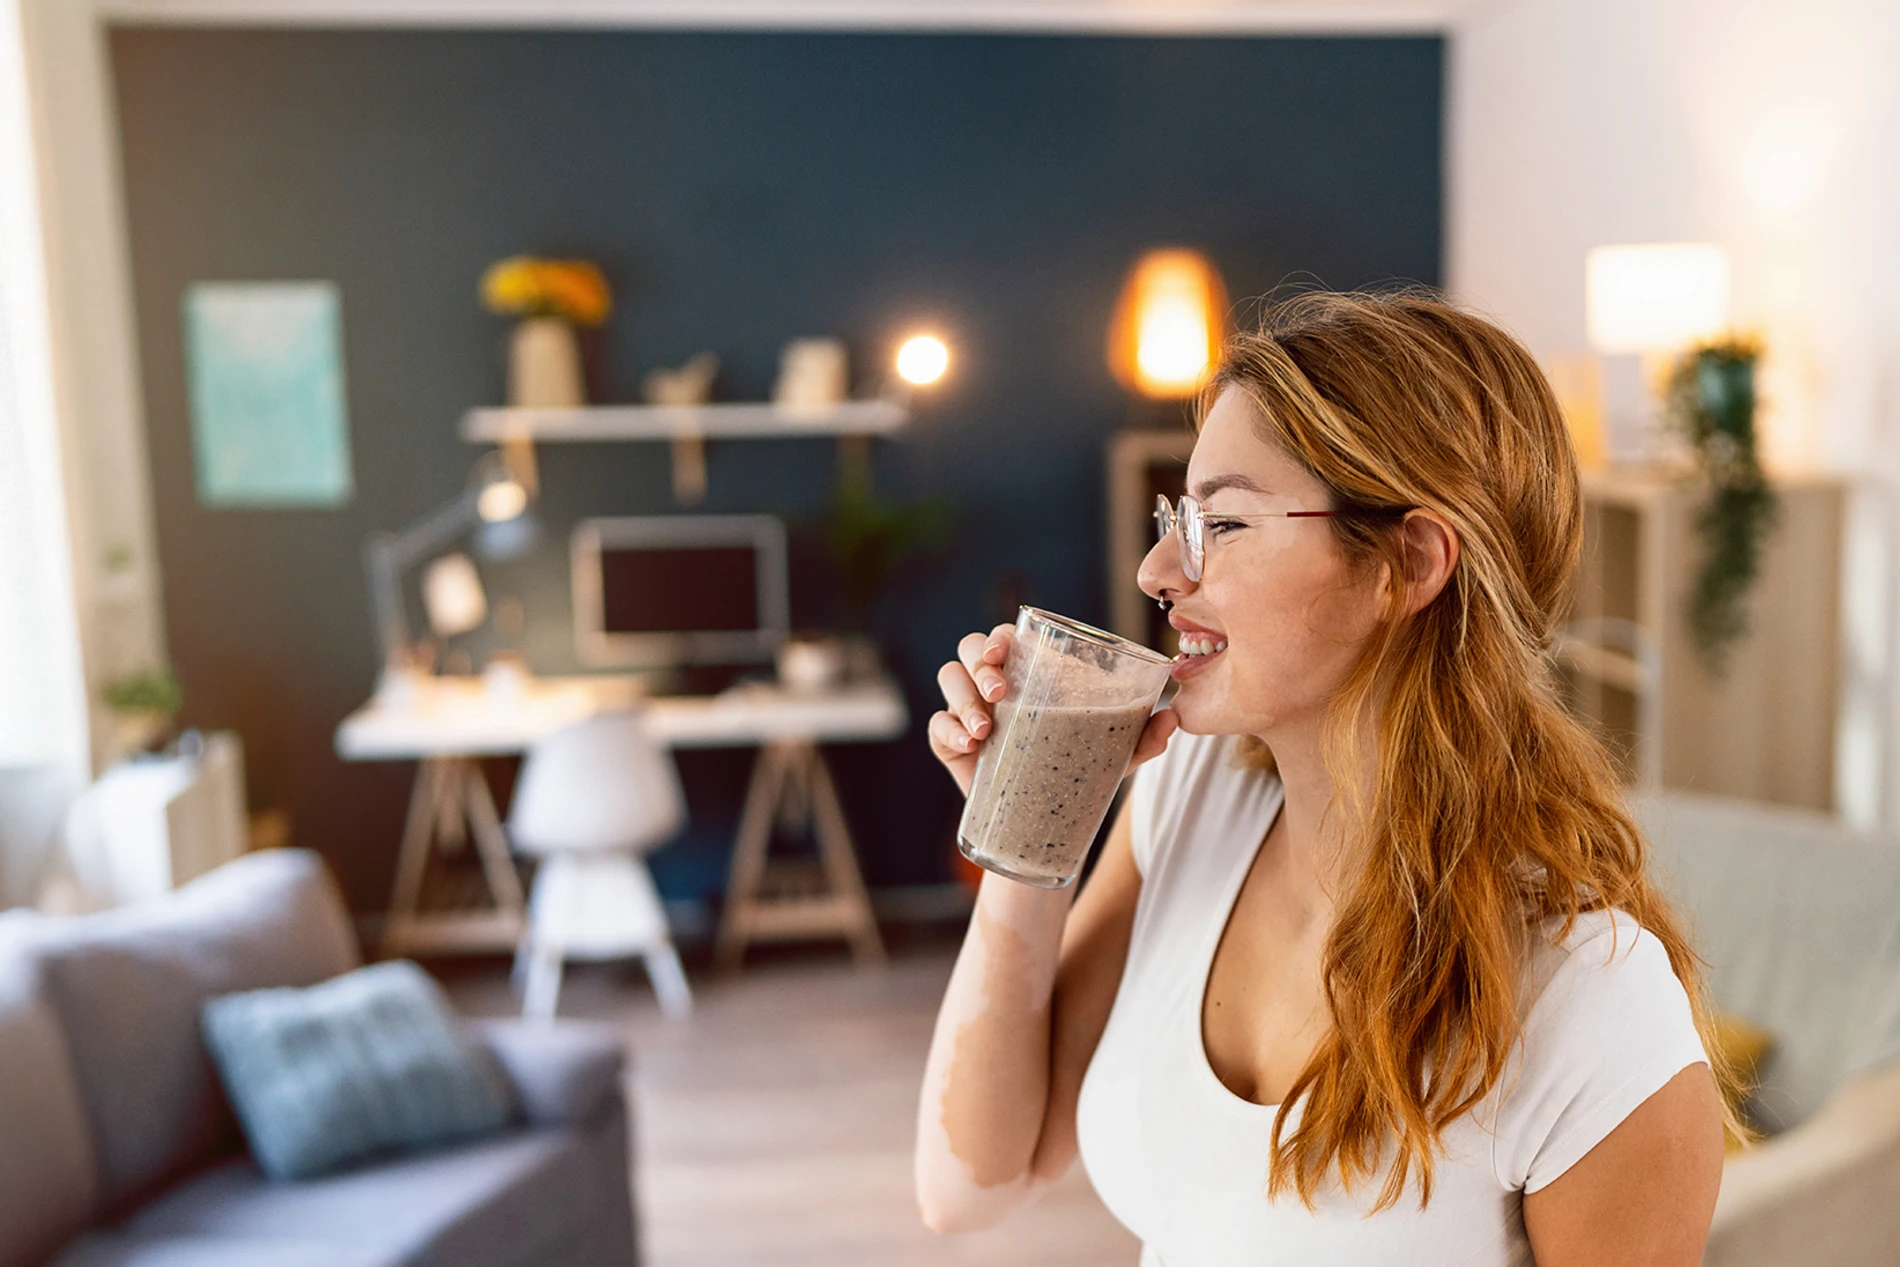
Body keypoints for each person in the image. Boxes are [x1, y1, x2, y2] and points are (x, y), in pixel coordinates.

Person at [913, 291, 1735, 1265]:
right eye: (1180, 514)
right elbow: (970, 1182)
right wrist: (1030, 822)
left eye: (1223, 521)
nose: (1156, 568)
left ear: (1408, 562)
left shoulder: (1592, 1005)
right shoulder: (1188, 797)